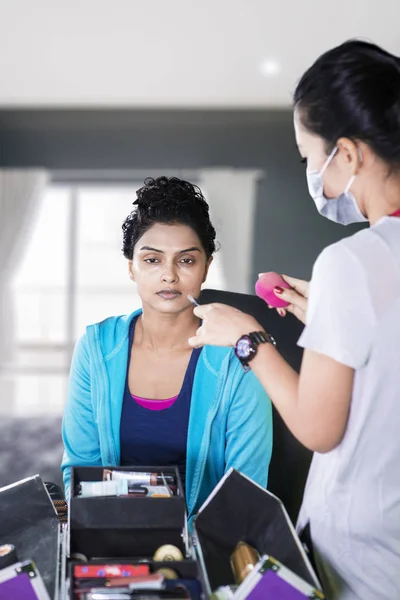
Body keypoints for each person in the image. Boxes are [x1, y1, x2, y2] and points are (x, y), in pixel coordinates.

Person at [188, 41, 400, 600]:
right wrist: (329, 313)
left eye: (309, 155)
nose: (310, 171)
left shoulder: (352, 262)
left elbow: (317, 427)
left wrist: (248, 338)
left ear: (348, 156)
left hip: (364, 553)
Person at [61, 176, 272, 519]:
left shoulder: (240, 357)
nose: (169, 276)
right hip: (108, 538)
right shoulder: (95, 349)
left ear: (206, 268)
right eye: (152, 260)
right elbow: (81, 472)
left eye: (186, 260)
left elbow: (246, 490)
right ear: (132, 268)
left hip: (205, 548)